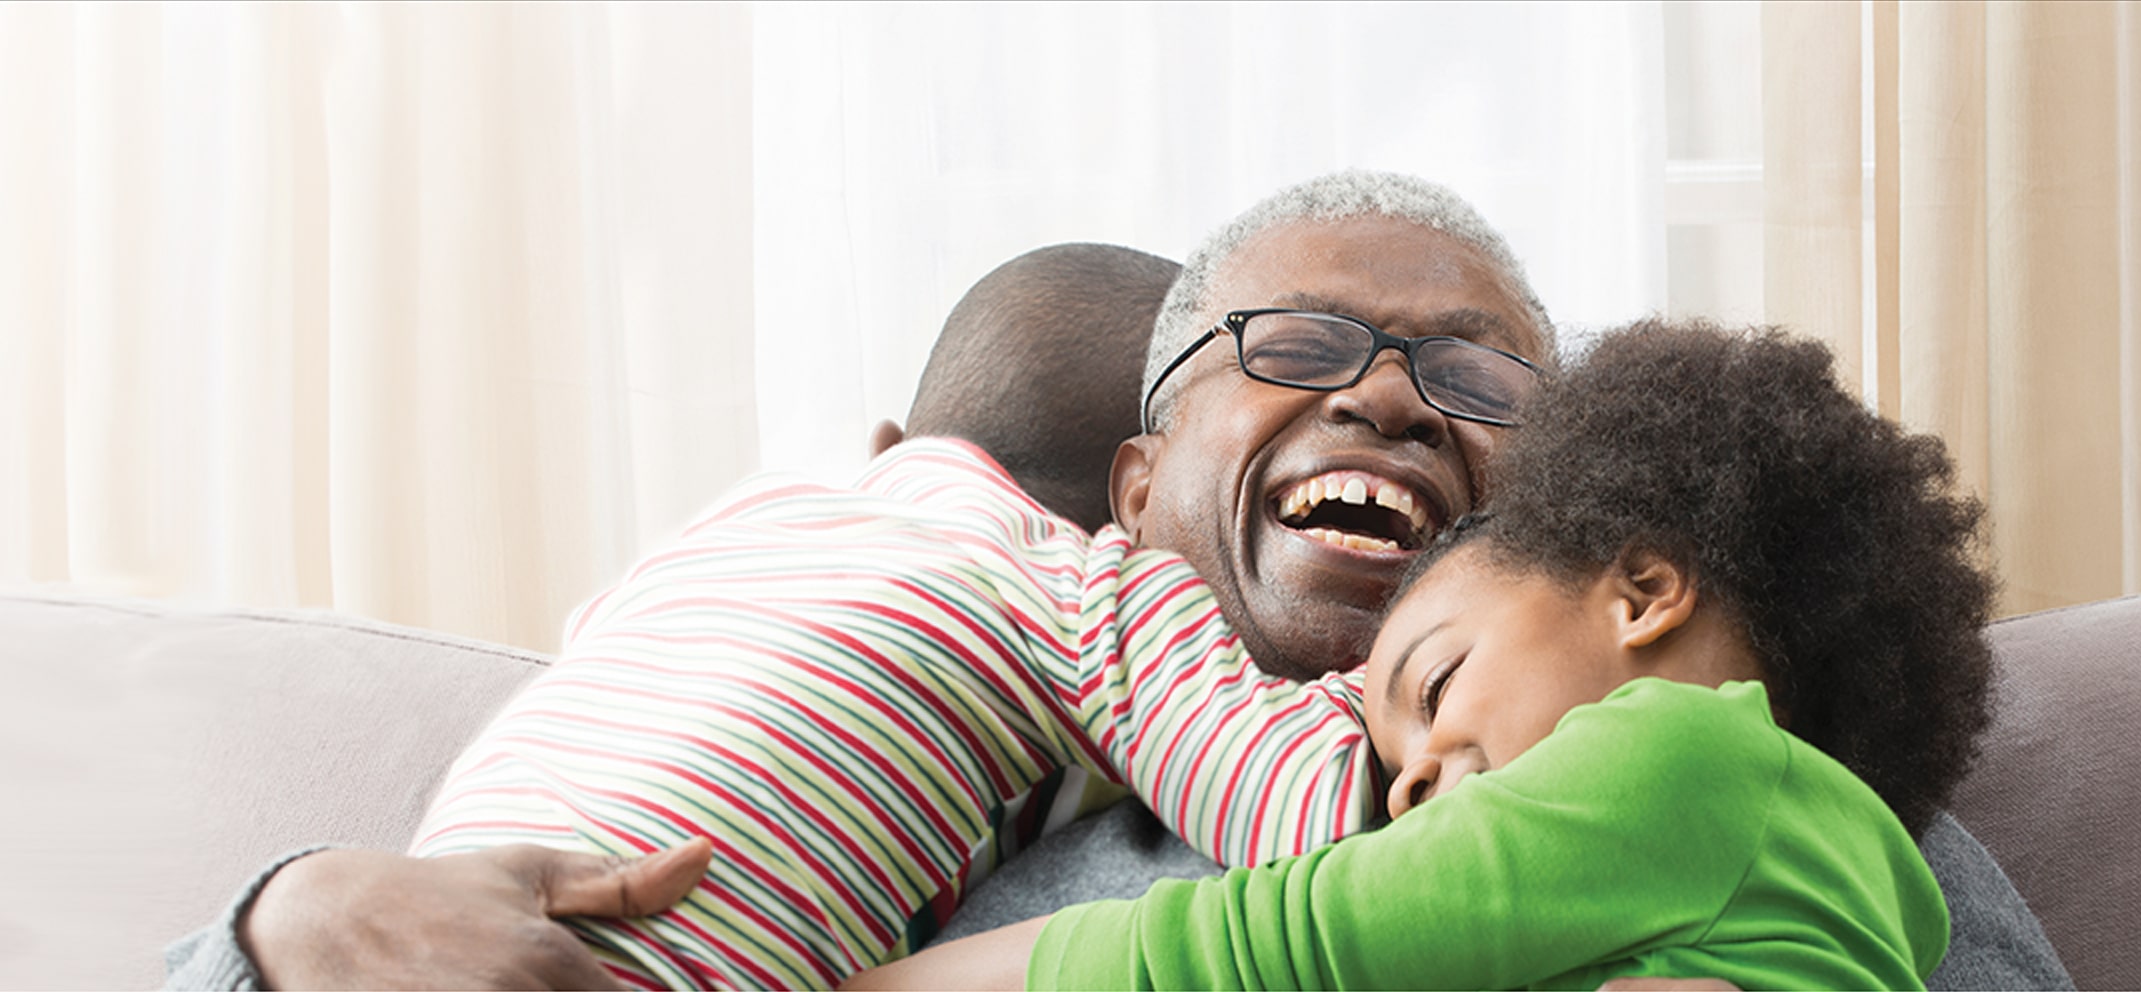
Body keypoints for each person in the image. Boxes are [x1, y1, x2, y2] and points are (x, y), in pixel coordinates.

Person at [174, 172, 2070, 990]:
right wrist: (288, 925)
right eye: (1303, 341)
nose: (1395, 395)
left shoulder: (1763, 779)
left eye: (1482, 379)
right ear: (1139, 482)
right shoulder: (922, 740)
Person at [848, 319, 1993, 990]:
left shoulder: (1683, 758)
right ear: (1134, 485)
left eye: (1436, 681)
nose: (1407, 786)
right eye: (1394, 774)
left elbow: (1264, 944)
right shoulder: (1854, 879)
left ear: (1642, 593)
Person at [402, 243, 1417, 985]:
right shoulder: (1086, 587)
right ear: (1138, 495)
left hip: (434, 916)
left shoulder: (742, 521)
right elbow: (1306, 807)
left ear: (892, 439)